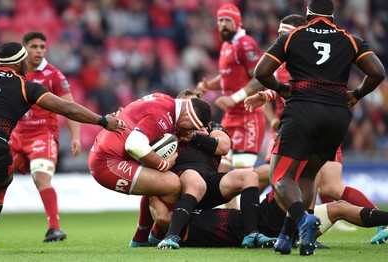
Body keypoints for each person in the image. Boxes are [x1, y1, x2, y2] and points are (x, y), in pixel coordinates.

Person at [253, 0, 385, 256]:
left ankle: (304, 220)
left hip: (303, 109)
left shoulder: (292, 37)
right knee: (308, 176)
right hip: (337, 114)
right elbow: (377, 72)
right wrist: (356, 94)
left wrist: (282, 90)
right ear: (332, 16)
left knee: (280, 177)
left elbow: (262, 71)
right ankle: (285, 238)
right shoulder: (351, 39)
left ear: (308, 14)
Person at [0, 41, 125, 242]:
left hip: (21, 139)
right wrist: (103, 121)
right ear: (19, 63)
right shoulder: (26, 86)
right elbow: (67, 108)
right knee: (0, 186)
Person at [149, 89, 275, 249]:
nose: (191, 112)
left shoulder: (211, 127)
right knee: (196, 183)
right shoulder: (169, 129)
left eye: (196, 106)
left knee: (249, 176)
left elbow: (224, 146)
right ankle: (171, 237)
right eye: (187, 107)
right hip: (185, 178)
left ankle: (251, 234)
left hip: (212, 179)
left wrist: (196, 137)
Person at [88, 92, 211, 240]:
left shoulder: (164, 99)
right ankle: (158, 235)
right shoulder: (163, 117)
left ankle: (141, 238)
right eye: (192, 126)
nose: (190, 131)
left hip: (105, 151)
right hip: (108, 163)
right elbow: (134, 145)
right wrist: (163, 164)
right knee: (172, 183)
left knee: (158, 179)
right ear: (186, 115)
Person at [7, 31, 79, 243]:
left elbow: (70, 106)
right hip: (16, 136)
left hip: (43, 135)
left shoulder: (53, 75)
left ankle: (54, 228)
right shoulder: (14, 73)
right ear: (24, 49)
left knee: (40, 177)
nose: (38, 51)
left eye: (42, 47)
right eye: (34, 47)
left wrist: (75, 136)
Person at [196, 3, 266, 209]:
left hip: (248, 117)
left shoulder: (246, 44)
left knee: (242, 174)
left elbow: (260, 78)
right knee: (222, 174)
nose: (223, 25)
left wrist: (234, 98)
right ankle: (232, 218)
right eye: (220, 20)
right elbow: (228, 76)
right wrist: (209, 84)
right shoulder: (227, 46)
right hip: (230, 118)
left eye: (227, 20)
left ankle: (274, 179)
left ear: (237, 22)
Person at [149, 194, 388, 249]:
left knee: (340, 207)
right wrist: (151, 192)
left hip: (275, 222)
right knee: (290, 183)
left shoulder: (194, 205)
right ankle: (301, 234)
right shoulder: (179, 226)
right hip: (267, 227)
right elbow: (161, 217)